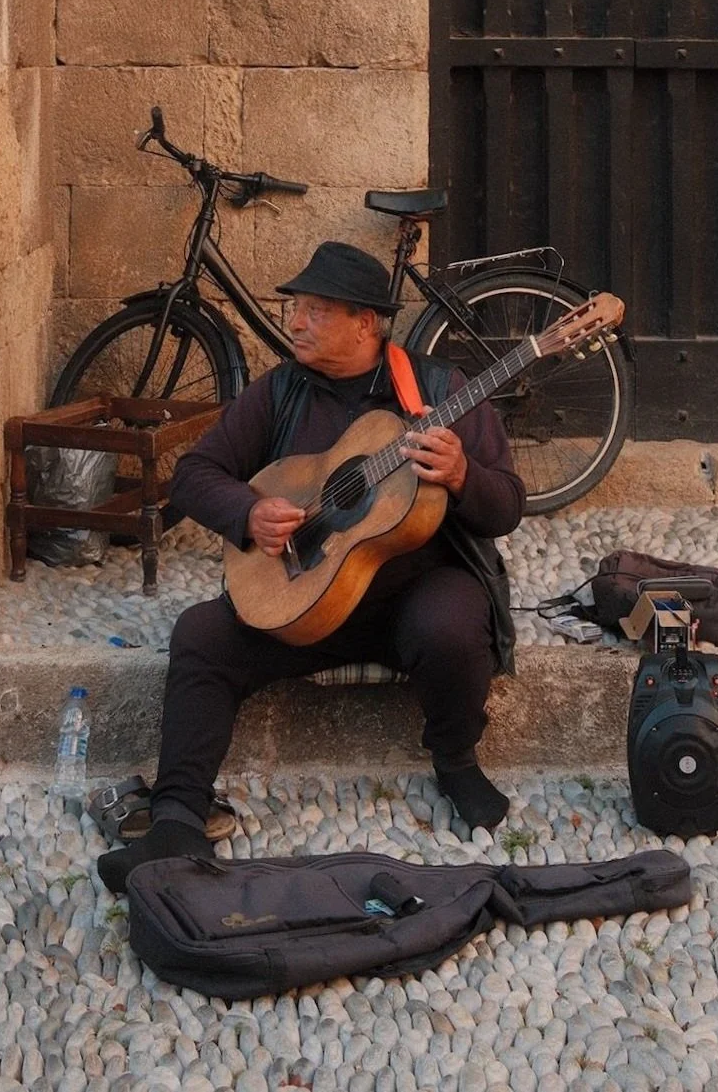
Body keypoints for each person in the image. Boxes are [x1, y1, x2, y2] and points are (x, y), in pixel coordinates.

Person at [96, 241, 526, 894]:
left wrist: (464, 474)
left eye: (315, 310)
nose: (294, 321)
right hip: (307, 602)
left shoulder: (441, 390)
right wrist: (247, 512)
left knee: (451, 623)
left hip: (413, 594)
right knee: (200, 635)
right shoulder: (279, 391)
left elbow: (507, 505)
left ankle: (456, 759)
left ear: (365, 322)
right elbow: (191, 476)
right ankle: (177, 816)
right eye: (294, 307)